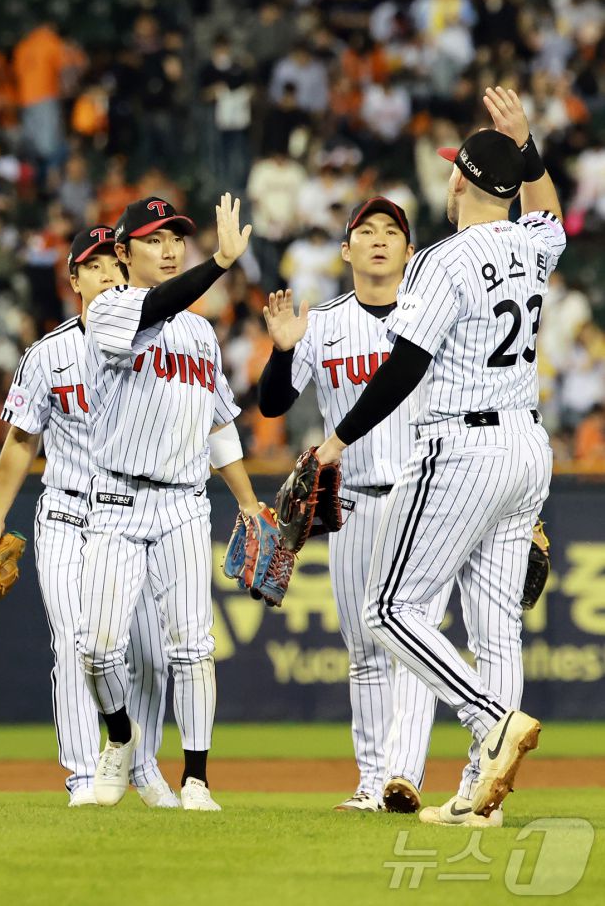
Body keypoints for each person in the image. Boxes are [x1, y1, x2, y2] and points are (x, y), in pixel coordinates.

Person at [311, 87, 566, 825]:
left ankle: (494, 722)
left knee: (390, 608)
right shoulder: (533, 244)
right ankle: (481, 793)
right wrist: (527, 147)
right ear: (509, 186)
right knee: (495, 627)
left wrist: (337, 438)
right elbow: (548, 212)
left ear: (456, 179)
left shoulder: (443, 263)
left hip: (462, 445)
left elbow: (404, 369)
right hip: (527, 444)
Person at [258, 197, 449, 813]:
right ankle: (373, 784)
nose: (377, 240)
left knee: (411, 642)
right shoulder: (325, 323)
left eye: (390, 231)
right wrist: (285, 349)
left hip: (426, 502)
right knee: (366, 653)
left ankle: (403, 775)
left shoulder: (432, 320)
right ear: (345, 251)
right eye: (364, 231)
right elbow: (272, 406)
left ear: (408, 249)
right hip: (356, 506)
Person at [0, 227, 178, 808]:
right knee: (74, 643)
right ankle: (82, 775)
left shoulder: (159, 340)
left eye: (114, 263)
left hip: (138, 515)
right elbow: (20, 441)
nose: (108, 275)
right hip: (68, 513)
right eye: (92, 267)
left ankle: (141, 768)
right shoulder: (48, 354)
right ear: (74, 281)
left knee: (145, 650)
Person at [77, 194, 256, 811]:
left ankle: (198, 778)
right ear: (122, 253)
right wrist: (220, 265)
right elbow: (158, 303)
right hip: (117, 499)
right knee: (97, 647)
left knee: (192, 646)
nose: (171, 247)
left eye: (176, 237)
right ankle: (121, 737)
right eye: (155, 239)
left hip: (184, 502)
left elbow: (219, 424)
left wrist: (249, 503)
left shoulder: (201, 332)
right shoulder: (108, 309)